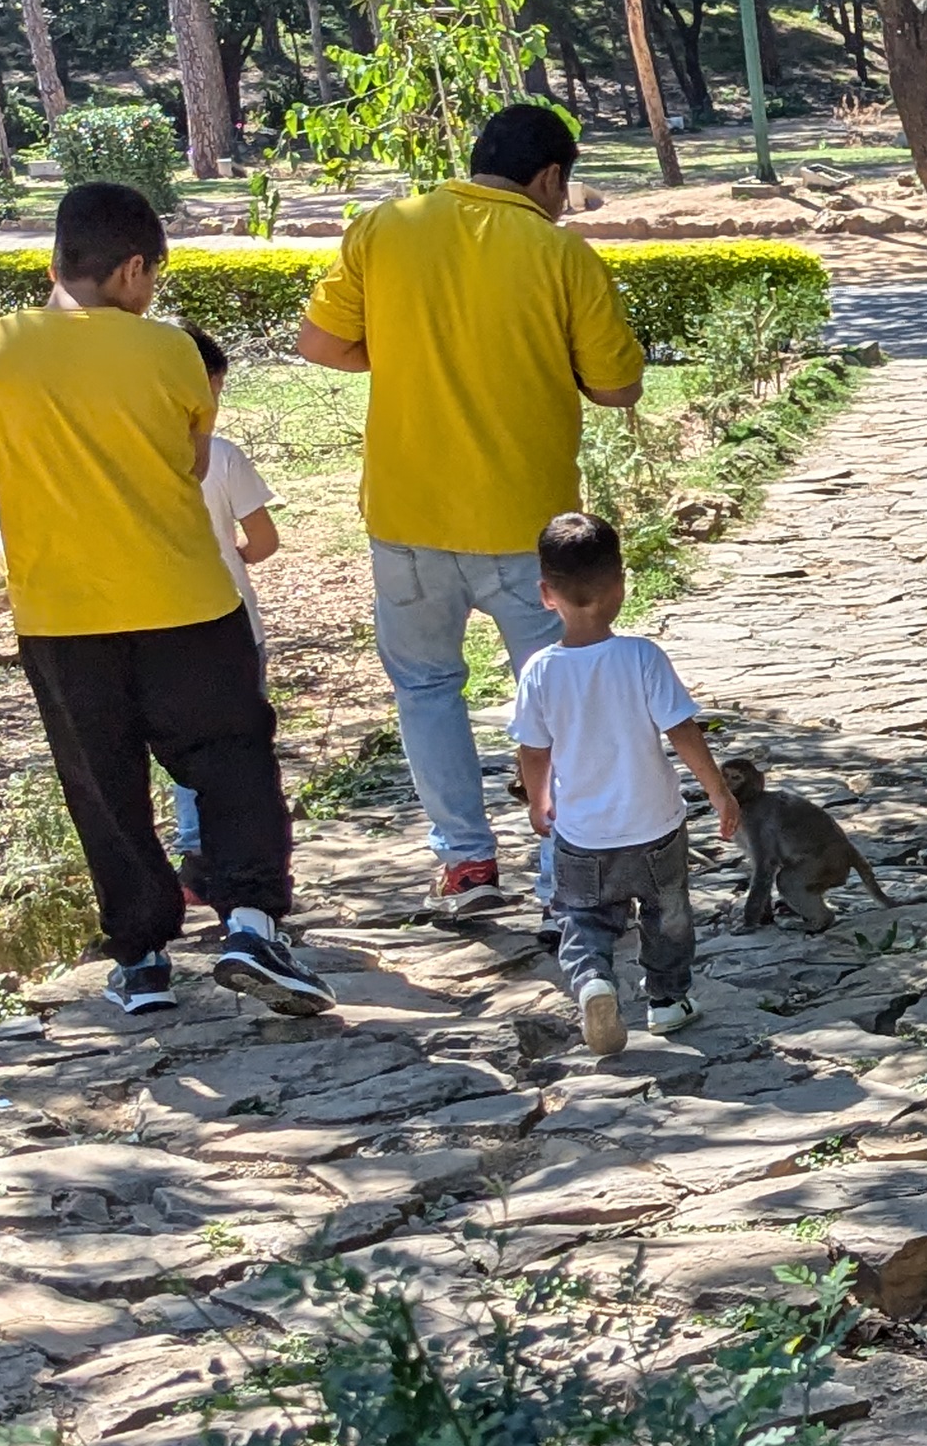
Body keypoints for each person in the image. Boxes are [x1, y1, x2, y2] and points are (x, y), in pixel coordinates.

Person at [0, 181, 331, 1021]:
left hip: (63, 616)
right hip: (187, 599)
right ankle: (251, 921)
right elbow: (188, 463)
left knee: (102, 783)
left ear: (56, 262)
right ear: (135, 269)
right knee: (232, 759)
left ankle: (142, 956)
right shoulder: (173, 353)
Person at [294, 101, 643, 923]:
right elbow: (618, 387)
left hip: (408, 518)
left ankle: (466, 864)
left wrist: (409, 348)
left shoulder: (385, 227)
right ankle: (567, 865)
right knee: (560, 695)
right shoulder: (560, 254)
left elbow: (318, 342)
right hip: (530, 528)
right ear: (550, 177)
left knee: (425, 689)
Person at [509, 510, 744, 1059]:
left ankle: (593, 980)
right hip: (655, 823)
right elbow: (681, 729)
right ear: (620, 585)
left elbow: (532, 749)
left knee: (584, 918)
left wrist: (539, 801)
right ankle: (668, 1000)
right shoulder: (641, 656)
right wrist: (717, 790)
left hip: (582, 832)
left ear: (546, 594)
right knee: (668, 914)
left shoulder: (539, 671)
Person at [162, 332, 281, 888]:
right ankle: (246, 861)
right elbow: (263, 541)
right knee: (239, 743)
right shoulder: (224, 456)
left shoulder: (136, 453)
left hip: (161, 621)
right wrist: (232, 552)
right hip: (232, 620)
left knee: (181, 746)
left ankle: (194, 854)